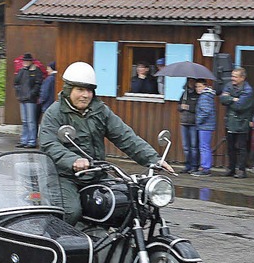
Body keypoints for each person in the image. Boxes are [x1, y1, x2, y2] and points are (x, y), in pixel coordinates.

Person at [39, 62, 174, 225]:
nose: (85, 95)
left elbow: (124, 136)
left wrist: (153, 159)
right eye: (80, 89)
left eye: (89, 90)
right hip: (65, 176)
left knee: (128, 202)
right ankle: (63, 244)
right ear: (68, 90)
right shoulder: (54, 113)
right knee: (71, 212)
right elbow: (49, 144)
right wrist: (73, 160)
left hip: (96, 172)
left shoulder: (99, 110)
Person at [220, 67, 254, 178]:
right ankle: (231, 168)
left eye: (235, 76)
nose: (232, 78)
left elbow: (240, 106)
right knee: (230, 147)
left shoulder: (248, 90)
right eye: (232, 76)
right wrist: (234, 99)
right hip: (230, 121)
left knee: (241, 147)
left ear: (242, 78)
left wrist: (230, 99)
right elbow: (222, 99)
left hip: (242, 122)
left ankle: (241, 169)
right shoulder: (229, 85)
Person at [13, 53, 42, 148]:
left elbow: (38, 84)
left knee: (31, 121)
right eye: (24, 61)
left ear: (31, 61)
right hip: (22, 99)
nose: (25, 62)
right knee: (25, 121)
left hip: (31, 100)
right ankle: (24, 140)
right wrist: (18, 93)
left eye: (26, 61)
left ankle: (32, 141)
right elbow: (16, 82)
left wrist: (32, 94)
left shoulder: (36, 71)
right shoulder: (22, 70)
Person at [192, 79, 217, 177]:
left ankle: (205, 168)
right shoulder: (207, 96)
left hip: (205, 125)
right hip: (206, 125)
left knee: (204, 147)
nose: (198, 89)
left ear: (205, 86)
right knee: (205, 146)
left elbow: (206, 111)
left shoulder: (204, 97)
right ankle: (205, 167)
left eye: (199, 86)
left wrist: (198, 120)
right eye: (196, 87)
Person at [177, 78, 199, 174]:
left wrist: (188, 107)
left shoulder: (198, 94)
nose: (191, 83)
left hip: (193, 123)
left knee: (194, 146)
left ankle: (195, 166)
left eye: (193, 82)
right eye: (189, 81)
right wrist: (181, 107)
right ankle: (187, 165)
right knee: (186, 147)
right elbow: (178, 105)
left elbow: (198, 108)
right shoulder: (184, 94)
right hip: (184, 122)